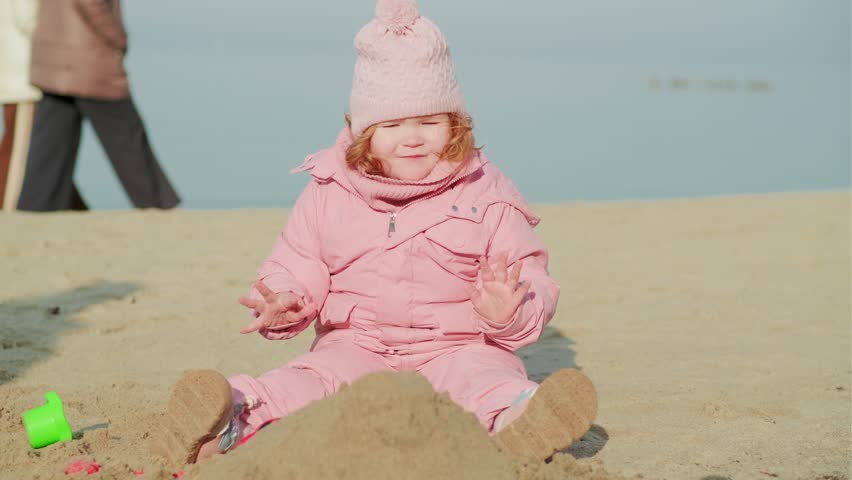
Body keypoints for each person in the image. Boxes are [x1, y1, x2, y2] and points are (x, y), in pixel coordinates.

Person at [151, 0, 597, 468]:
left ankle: (519, 421)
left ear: (455, 124)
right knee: (310, 381)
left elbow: (531, 273)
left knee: (485, 379)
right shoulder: (330, 189)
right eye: (392, 125)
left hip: (455, 346)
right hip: (356, 344)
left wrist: (510, 309)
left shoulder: (487, 191)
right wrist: (285, 302)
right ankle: (229, 420)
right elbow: (298, 262)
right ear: (363, 130)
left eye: (429, 122)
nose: (412, 137)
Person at [16, 0, 180, 211]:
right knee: (126, 134)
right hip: (88, 56)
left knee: (50, 144)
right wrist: (117, 37)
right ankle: (157, 204)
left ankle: (35, 210)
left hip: (53, 56)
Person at [0, 0, 40, 211]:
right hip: (23, 79)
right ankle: (7, 207)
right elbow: (29, 21)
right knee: (18, 150)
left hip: (25, 77)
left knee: (41, 151)